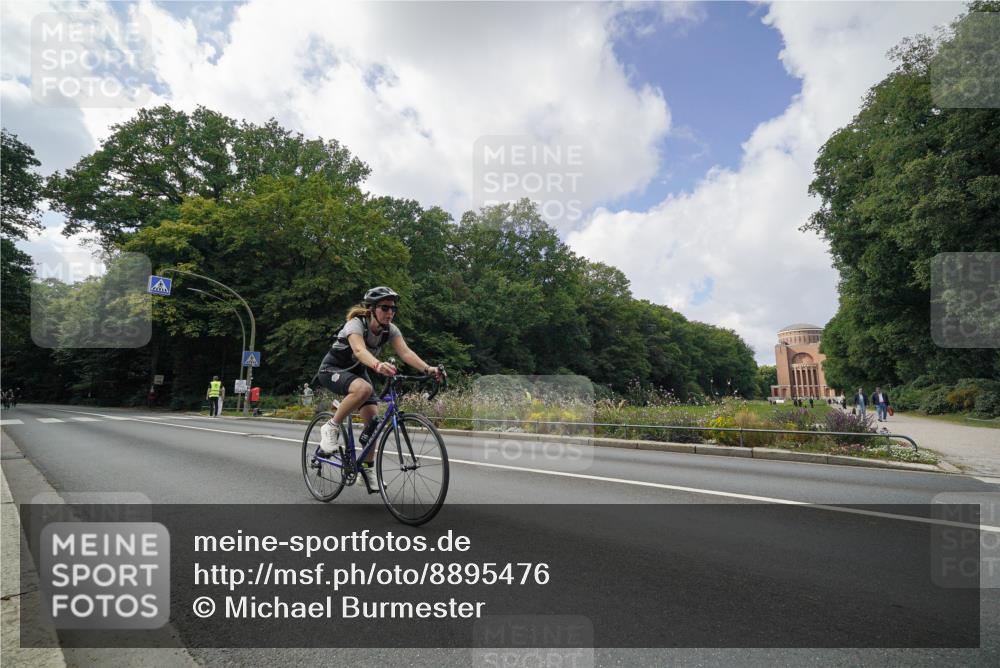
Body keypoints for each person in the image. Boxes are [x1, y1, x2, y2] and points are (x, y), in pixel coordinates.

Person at [315, 287, 445, 462]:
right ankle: (331, 426)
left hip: (357, 371)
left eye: (393, 308)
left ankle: (367, 469)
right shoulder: (355, 324)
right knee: (364, 388)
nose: (390, 312)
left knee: (373, 423)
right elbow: (359, 350)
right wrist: (377, 364)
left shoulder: (390, 330)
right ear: (372, 309)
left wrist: (428, 369)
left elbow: (405, 353)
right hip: (333, 369)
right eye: (384, 308)